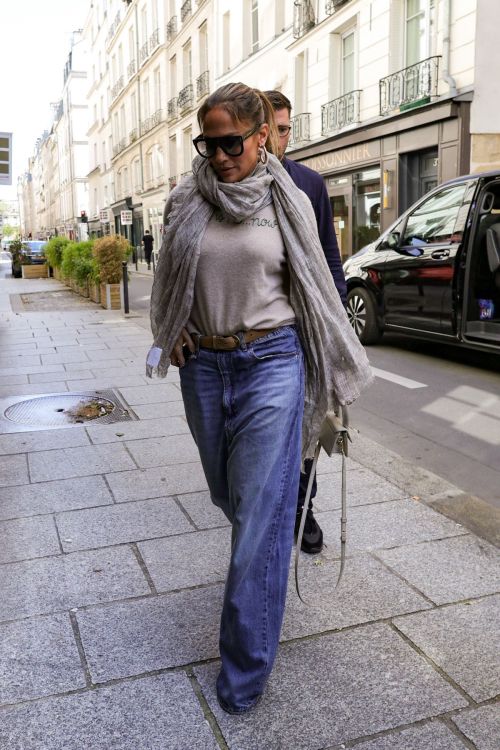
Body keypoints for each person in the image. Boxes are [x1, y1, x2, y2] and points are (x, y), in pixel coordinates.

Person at [147, 82, 372, 715]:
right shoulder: (184, 201)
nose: (219, 156)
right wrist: (175, 329)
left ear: (261, 135)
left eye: (231, 142)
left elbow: (317, 280)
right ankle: (266, 571)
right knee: (233, 495)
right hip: (204, 367)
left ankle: (243, 666)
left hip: (273, 360)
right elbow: (171, 280)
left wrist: (324, 365)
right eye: (208, 143)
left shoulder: (288, 198)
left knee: (261, 515)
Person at [265, 90, 347, 556]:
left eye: (286, 128)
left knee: (311, 423)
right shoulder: (240, 184)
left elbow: (329, 259)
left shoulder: (310, 184)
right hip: (258, 331)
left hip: (304, 329)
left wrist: (339, 326)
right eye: (274, 128)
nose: (281, 137)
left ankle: (304, 505)